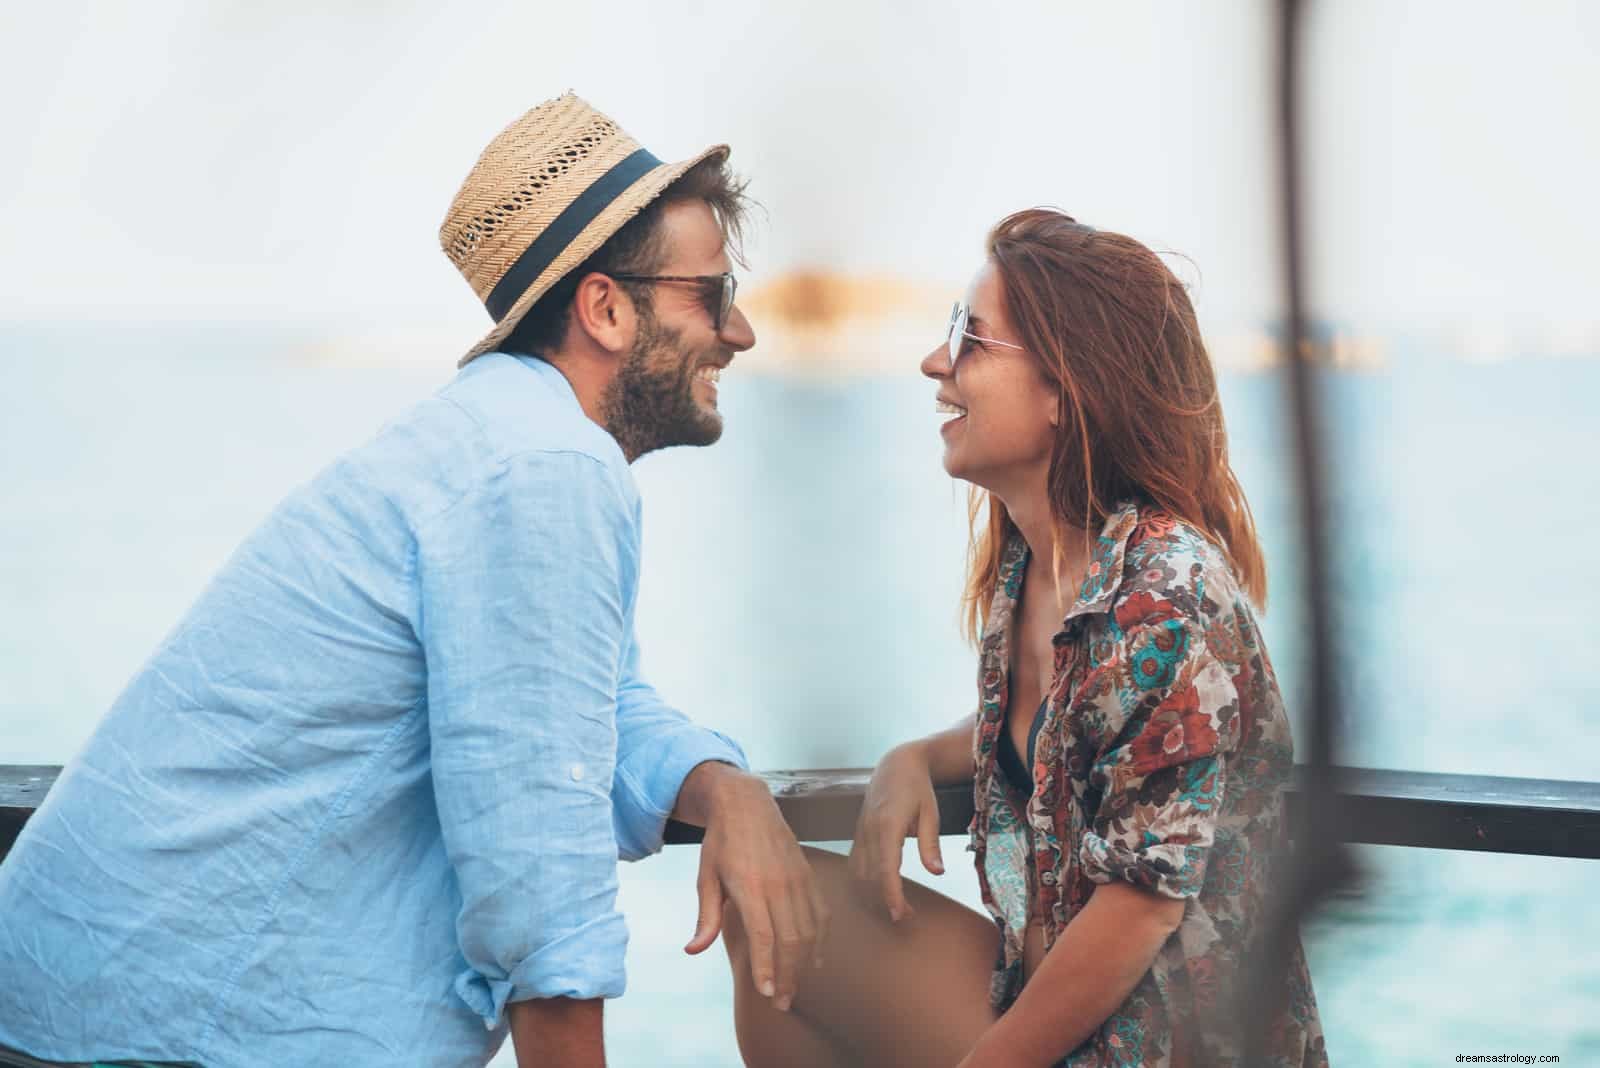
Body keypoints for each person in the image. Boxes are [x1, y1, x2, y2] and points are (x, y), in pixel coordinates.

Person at [0, 93, 826, 1068]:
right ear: (605, 307)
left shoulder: (504, 440)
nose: (741, 334)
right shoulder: (542, 466)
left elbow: (583, 710)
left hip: (94, 1017)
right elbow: (539, 882)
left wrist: (724, 789)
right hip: (151, 1041)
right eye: (712, 295)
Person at [723, 209, 1327, 1066]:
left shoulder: (1160, 599)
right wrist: (914, 759)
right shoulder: (1034, 566)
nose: (936, 363)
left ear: (1063, 388)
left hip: (1166, 1038)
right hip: (1040, 988)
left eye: (969, 337)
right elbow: (1061, 735)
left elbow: (1142, 904)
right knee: (776, 914)